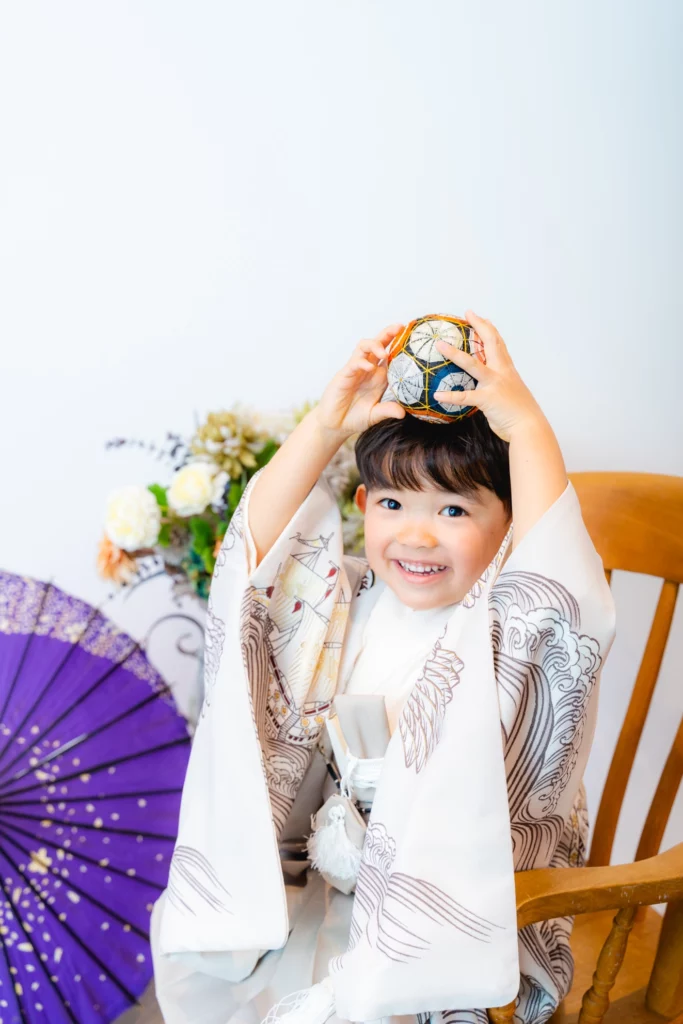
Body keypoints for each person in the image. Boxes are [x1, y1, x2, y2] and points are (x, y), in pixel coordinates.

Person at [150, 312, 616, 1024]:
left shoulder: (502, 631)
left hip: (447, 924)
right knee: (222, 971)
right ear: (363, 504)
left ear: (510, 524)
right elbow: (251, 571)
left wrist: (524, 427)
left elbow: (561, 598)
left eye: (453, 510)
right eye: (393, 503)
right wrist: (325, 427)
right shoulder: (344, 603)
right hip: (331, 893)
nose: (416, 535)